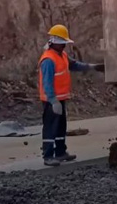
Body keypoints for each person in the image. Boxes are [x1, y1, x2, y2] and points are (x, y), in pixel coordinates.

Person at [37, 24, 104, 167]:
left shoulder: (61, 55)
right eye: (62, 44)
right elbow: (47, 83)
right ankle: (48, 156)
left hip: (60, 98)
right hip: (51, 100)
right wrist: (53, 100)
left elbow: (74, 65)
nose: (64, 46)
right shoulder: (48, 59)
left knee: (61, 126)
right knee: (50, 127)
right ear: (54, 42)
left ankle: (60, 152)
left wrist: (92, 67)